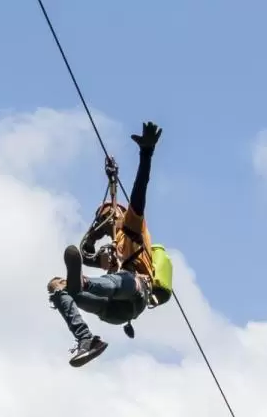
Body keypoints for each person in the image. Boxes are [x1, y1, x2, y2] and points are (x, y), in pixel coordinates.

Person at [47, 121, 174, 367]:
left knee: (112, 281)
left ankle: (82, 284)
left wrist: (146, 153)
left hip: (135, 290)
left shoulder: (132, 226)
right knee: (59, 289)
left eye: (105, 214)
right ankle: (87, 340)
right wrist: (93, 252)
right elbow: (84, 253)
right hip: (113, 312)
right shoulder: (114, 249)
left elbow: (140, 190)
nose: (102, 222)